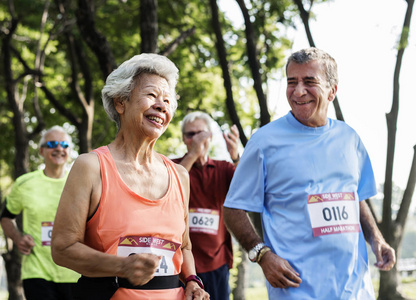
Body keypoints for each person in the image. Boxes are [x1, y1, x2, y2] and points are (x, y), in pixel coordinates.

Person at [223, 47, 396, 299]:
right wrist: (262, 254)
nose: (299, 90)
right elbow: (233, 208)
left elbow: (355, 197)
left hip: (356, 290)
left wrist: (377, 239)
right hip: (297, 290)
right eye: (292, 82)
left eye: (309, 82)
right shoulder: (264, 142)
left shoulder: (349, 138)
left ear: (332, 91)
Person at [51, 53, 209, 300]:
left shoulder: (179, 175)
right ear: (120, 102)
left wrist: (192, 280)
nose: (161, 105)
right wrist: (121, 267)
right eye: (151, 95)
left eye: (167, 100)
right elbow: (62, 249)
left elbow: (185, 246)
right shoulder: (90, 167)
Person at [0, 125, 80, 300]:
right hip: (37, 272)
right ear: (42, 151)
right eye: (52, 144)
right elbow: (6, 217)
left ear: (70, 151)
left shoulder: (80, 183)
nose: (59, 148)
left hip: (75, 272)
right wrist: (18, 238)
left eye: (64, 145)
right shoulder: (25, 183)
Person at [172, 111, 239, 300]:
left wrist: (235, 157)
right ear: (184, 139)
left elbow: (247, 188)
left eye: (201, 133)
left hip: (216, 263)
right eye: (190, 134)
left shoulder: (223, 168)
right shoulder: (174, 166)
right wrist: (192, 155)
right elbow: (172, 187)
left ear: (210, 136)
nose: (196, 139)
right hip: (182, 265)